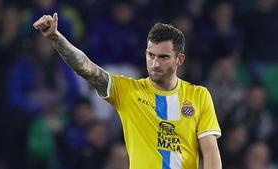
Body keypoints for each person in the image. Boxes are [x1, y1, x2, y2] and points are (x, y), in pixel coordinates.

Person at [33, 13, 221, 169]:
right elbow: (86, 68)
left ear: (179, 59)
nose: (155, 64)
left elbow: (210, 150)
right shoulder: (129, 91)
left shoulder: (199, 96)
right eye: (151, 55)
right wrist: (56, 38)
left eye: (163, 57)